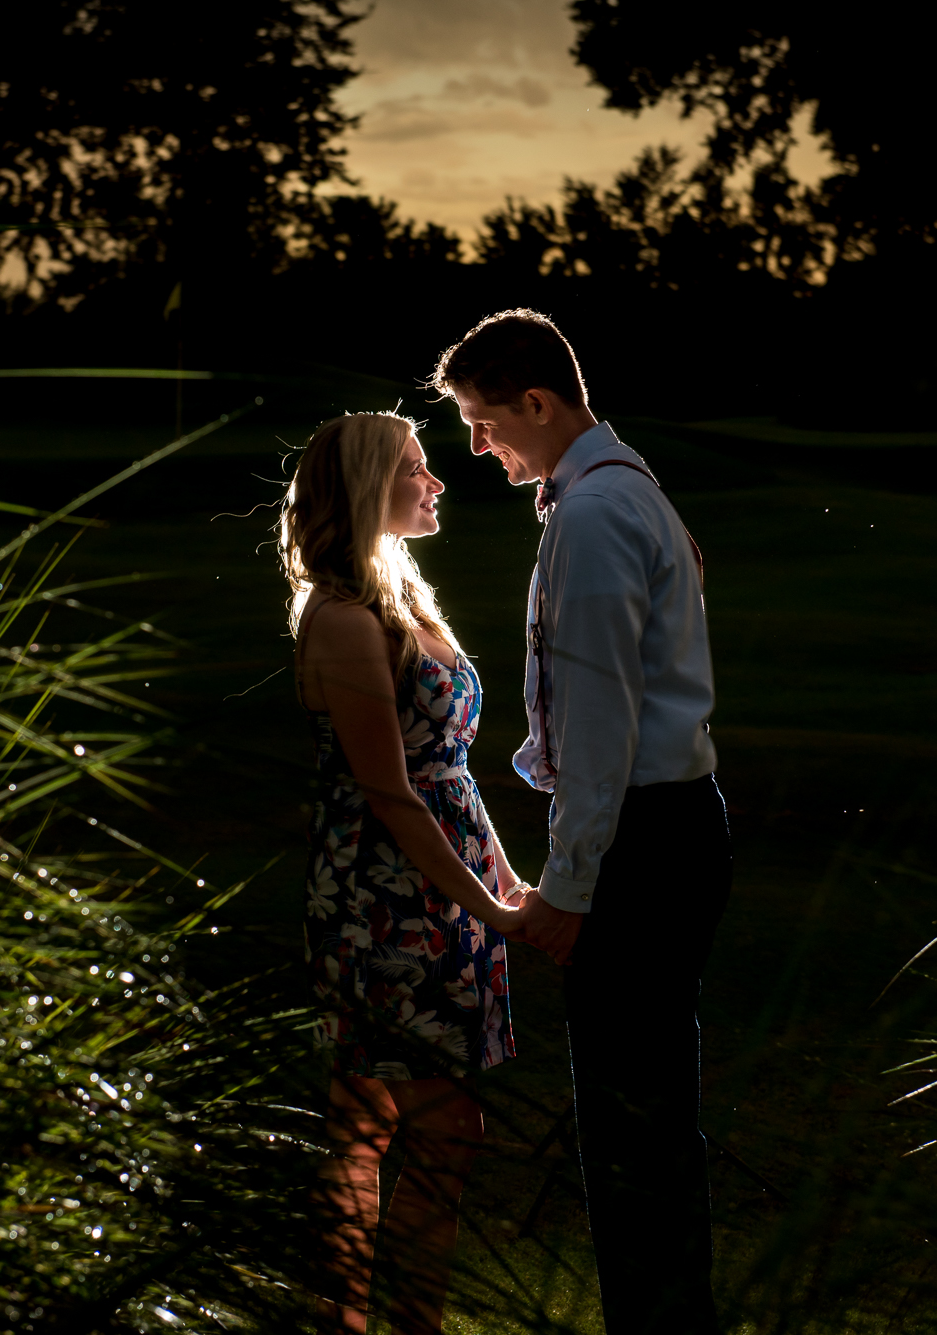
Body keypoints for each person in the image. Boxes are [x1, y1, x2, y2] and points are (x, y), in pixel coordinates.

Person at [429, 309, 733, 1335]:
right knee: (640, 1113)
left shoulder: (599, 515)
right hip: (665, 826)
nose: (475, 446)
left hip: (644, 839)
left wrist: (566, 887)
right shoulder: (615, 491)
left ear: (537, 403)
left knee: (630, 1121)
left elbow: (601, 721)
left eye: (481, 420)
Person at [277, 410, 537, 1335]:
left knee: (380, 1117)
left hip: (446, 883)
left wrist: (506, 885)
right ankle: (383, 1321)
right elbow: (390, 792)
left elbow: (453, 773)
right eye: (415, 471)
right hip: (385, 901)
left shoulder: (406, 596)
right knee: (413, 1124)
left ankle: (359, 1319)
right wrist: (487, 909)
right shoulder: (343, 616)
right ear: (363, 491)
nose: (435, 483)